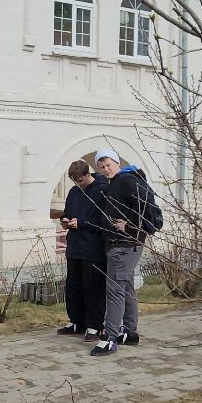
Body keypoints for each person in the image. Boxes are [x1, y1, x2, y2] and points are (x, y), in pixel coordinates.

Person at [88, 148, 160, 356]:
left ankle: (110, 338)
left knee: (115, 289)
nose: (105, 169)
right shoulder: (118, 182)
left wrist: (130, 227)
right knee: (125, 286)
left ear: (117, 163)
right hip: (121, 243)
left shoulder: (126, 180)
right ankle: (130, 332)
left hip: (124, 244)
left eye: (109, 164)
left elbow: (145, 206)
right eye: (101, 167)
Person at [57, 159, 107, 338]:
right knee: (73, 286)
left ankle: (94, 325)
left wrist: (83, 223)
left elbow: (105, 221)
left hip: (94, 247)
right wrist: (65, 220)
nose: (78, 185)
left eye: (81, 181)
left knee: (92, 287)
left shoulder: (102, 190)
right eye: (75, 182)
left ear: (88, 174)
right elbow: (68, 212)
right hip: (75, 245)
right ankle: (76, 321)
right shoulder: (74, 191)